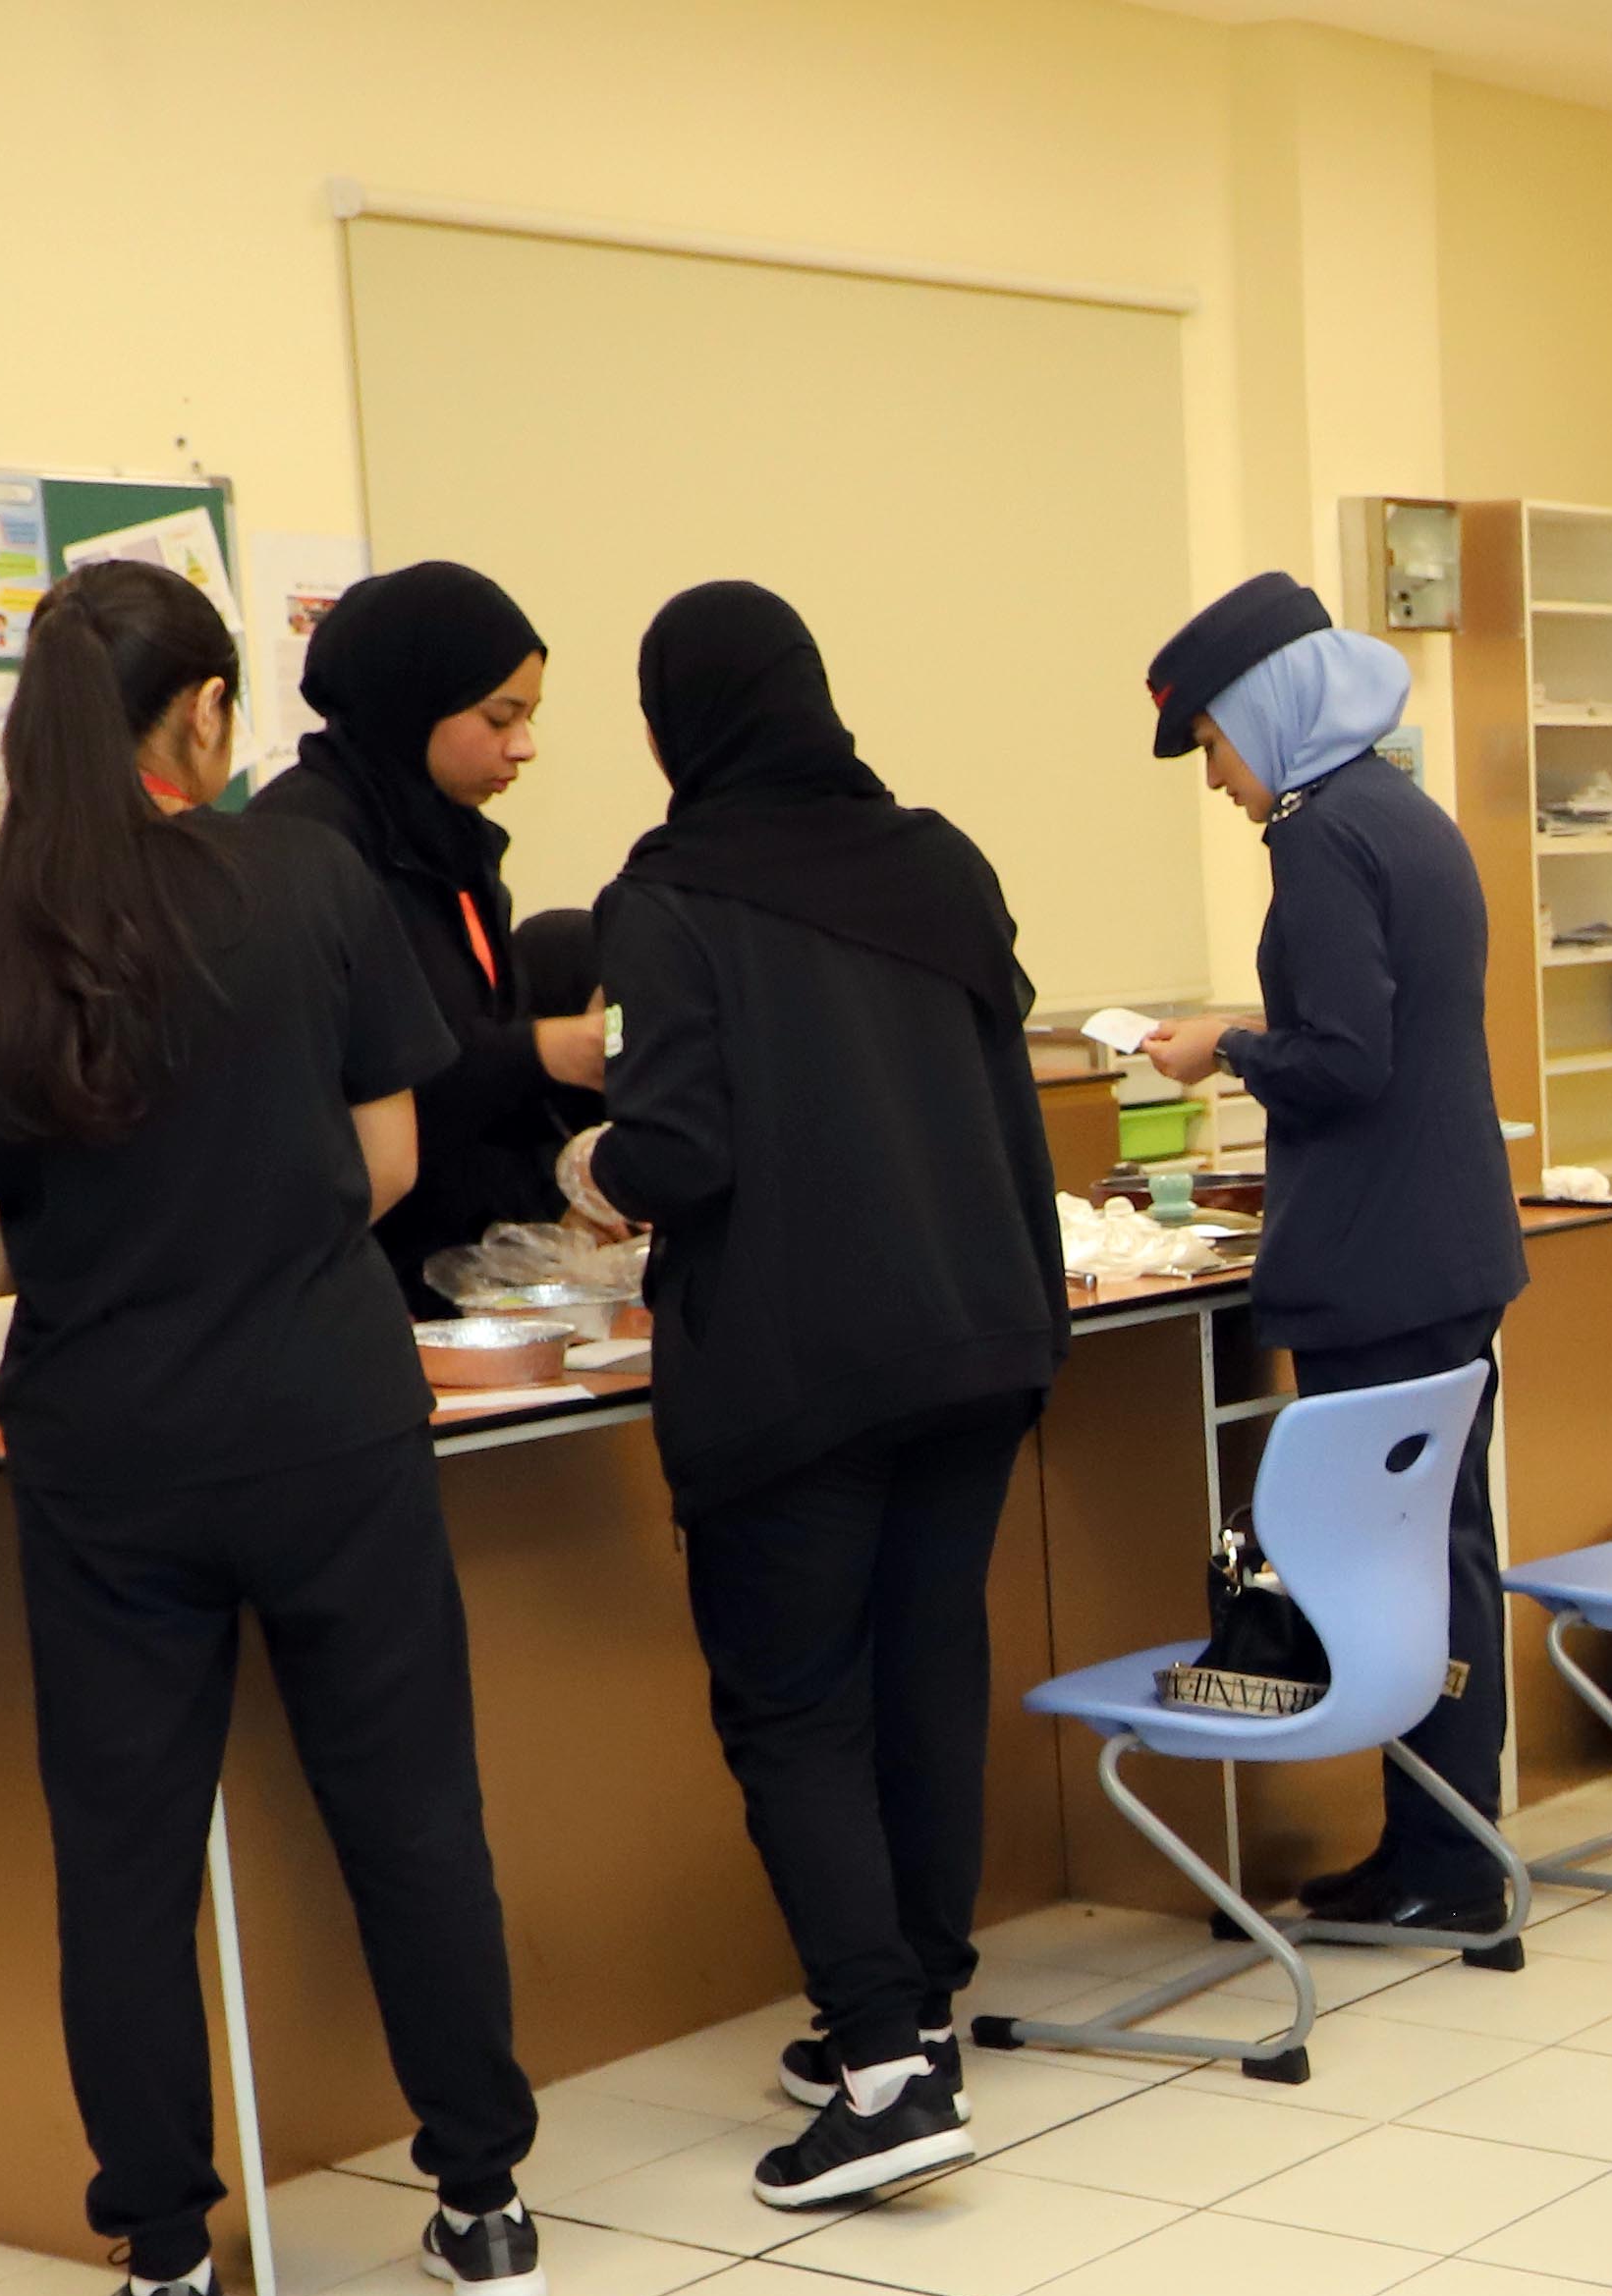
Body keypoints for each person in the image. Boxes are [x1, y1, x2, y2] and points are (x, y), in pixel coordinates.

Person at [0, 560, 543, 2296]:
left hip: (113, 1453)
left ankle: (166, 2270)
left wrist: (92, 1242)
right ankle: (483, 2206)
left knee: (125, 1853)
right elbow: (387, 1164)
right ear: (208, 711)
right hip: (331, 1418)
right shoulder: (311, 880)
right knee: (412, 1809)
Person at [573, 583, 1065, 2212]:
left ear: (676, 727)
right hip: (977, 1340)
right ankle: (917, 2008)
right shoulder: (941, 861)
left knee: (794, 1707)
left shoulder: (668, 899)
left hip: (797, 1370)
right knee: (926, 1673)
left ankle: (880, 2071)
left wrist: (592, 1168)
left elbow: (678, 1148)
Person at [1136, 573, 1527, 1932]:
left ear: (1266, 713)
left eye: (1214, 745)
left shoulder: (1315, 837)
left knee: (1387, 1564)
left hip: (1375, 1261)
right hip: (1450, 1244)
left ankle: (1441, 1864)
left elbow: (1349, 1060)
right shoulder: (1401, 809)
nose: (1216, 780)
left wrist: (1227, 1047)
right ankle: (1451, 1841)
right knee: (1446, 1551)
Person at [250, 562, 606, 1311]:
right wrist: (544, 1051)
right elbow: (346, 1074)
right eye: (499, 719)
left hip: (454, 1270)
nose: (524, 746)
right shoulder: (305, 844)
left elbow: (474, 1040)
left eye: (529, 718)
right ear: (413, 704)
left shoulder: (453, 838)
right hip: (350, 1283)